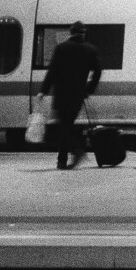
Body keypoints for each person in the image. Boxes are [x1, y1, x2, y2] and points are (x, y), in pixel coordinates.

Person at [40, 21, 103, 169]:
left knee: (64, 126)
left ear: (71, 32)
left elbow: (52, 71)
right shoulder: (90, 49)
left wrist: (44, 89)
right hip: (78, 94)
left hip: (62, 92)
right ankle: (63, 159)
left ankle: (72, 152)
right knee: (67, 125)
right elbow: (98, 71)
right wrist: (89, 89)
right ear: (83, 33)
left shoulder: (61, 48)